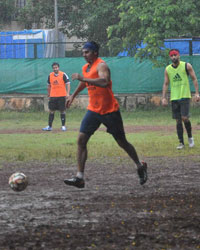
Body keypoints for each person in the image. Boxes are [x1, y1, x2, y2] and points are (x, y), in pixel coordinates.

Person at [64, 41, 147, 188]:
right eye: (83, 52)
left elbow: (104, 81)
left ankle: (140, 165)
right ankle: (79, 177)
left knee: (122, 142)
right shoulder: (86, 67)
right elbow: (84, 82)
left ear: (95, 52)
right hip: (93, 110)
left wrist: (83, 78)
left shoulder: (101, 65)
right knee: (81, 140)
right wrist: (73, 95)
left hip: (109, 111)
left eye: (87, 52)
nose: (84, 55)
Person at [162, 49, 200, 149]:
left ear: (179, 56)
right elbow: (166, 83)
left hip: (185, 96)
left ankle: (190, 138)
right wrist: (164, 98)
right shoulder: (167, 69)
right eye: (172, 55)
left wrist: (196, 93)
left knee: (185, 118)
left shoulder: (186, 65)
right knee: (178, 120)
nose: (174, 57)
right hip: (174, 97)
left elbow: (194, 79)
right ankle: (181, 143)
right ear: (170, 57)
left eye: (175, 55)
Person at [42, 62, 70, 131]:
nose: (55, 69)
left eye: (56, 67)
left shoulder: (63, 74)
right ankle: (49, 126)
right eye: (54, 68)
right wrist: (49, 93)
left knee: (62, 111)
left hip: (61, 96)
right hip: (53, 96)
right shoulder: (50, 75)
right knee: (51, 111)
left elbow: (68, 84)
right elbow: (48, 85)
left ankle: (63, 126)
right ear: (52, 68)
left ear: (58, 67)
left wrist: (67, 93)